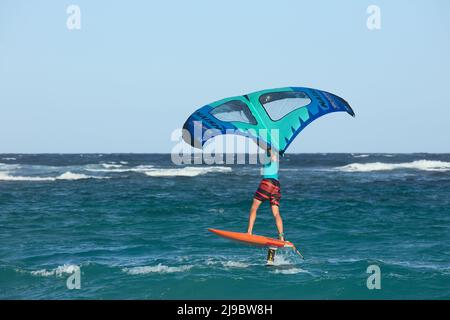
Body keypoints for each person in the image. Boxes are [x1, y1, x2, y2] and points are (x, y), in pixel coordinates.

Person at [247, 147, 284, 241]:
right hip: (276, 185)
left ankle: (249, 232)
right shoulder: (276, 151)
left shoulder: (271, 150)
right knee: (276, 213)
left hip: (268, 182)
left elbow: (271, 154)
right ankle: (281, 237)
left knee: (254, 208)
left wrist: (270, 150)